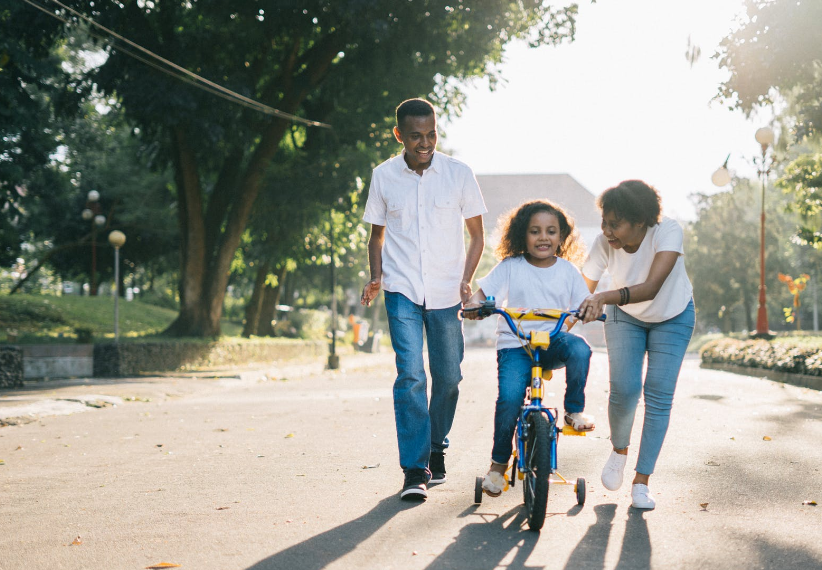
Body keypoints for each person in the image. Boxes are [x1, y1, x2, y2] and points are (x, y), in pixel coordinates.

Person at [360, 98, 486, 501]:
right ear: (400, 135)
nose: (425, 143)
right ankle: (415, 469)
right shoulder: (383, 176)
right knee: (411, 375)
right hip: (401, 290)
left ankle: (436, 447)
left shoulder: (459, 174)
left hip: (448, 291)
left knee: (448, 378)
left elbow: (477, 235)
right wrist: (377, 277)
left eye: (431, 134)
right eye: (416, 136)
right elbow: (376, 236)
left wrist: (467, 279)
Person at [463, 200, 595, 497]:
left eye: (551, 231)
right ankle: (498, 466)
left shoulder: (569, 271)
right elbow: (482, 294)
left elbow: (584, 302)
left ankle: (574, 411)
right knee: (509, 399)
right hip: (515, 345)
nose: (543, 237)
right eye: (535, 231)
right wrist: (475, 305)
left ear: (562, 237)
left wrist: (589, 310)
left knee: (581, 349)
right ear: (523, 235)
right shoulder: (510, 267)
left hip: (551, 342)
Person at [578, 179, 695, 510]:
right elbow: (580, 290)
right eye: (604, 222)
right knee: (625, 389)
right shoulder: (604, 243)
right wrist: (562, 322)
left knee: (658, 394)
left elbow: (653, 286)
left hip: (673, 315)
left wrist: (602, 296)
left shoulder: (667, 232)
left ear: (641, 221)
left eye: (615, 224)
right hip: (625, 316)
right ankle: (619, 450)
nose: (607, 231)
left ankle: (642, 481)